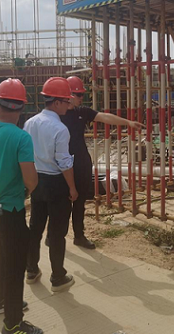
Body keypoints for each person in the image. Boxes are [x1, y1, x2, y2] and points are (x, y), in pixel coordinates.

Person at [0, 78, 44, 334]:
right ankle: (13, 324)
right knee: (14, 267)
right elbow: (31, 180)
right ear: (21, 107)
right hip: (10, 212)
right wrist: (22, 189)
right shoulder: (21, 137)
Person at [58, 75, 144, 249]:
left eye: (82, 95)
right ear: (68, 95)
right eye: (79, 95)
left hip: (81, 163)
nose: (81, 98)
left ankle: (79, 235)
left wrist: (127, 122)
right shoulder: (56, 116)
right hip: (62, 164)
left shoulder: (82, 112)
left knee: (80, 202)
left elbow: (104, 117)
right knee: (61, 203)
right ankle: (56, 236)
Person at [23, 77, 77, 292]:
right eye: (66, 101)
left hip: (36, 180)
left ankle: (31, 270)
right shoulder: (60, 128)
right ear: (56, 102)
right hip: (56, 183)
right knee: (56, 233)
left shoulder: (30, 123)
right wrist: (72, 187)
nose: (68, 105)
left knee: (35, 227)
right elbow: (64, 162)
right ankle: (58, 276)